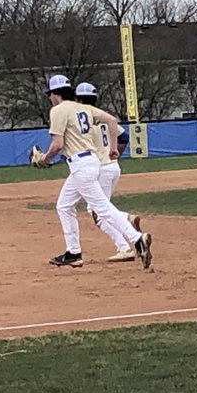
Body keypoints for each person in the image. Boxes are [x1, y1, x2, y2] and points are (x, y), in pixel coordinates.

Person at [37, 75, 152, 271]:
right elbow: (112, 120)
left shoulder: (58, 110)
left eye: (50, 94)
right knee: (64, 205)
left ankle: (137, 239)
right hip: (88, 163)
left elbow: (58, 145)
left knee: (102, 209)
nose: (50, 98)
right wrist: (114, 148)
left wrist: (44, 159)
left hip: (82, 165)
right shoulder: (84, 108)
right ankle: (73, 252)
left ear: (56, 94)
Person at [76, 81, 142, 262]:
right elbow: (124, 136)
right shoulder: (103, 116)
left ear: (79, 99)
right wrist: (115, 152)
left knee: (98, 212)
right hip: (113, 167)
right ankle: (125, 235)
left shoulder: (83, 120)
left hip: (101, 169)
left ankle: (125, 241)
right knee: (99, 209)